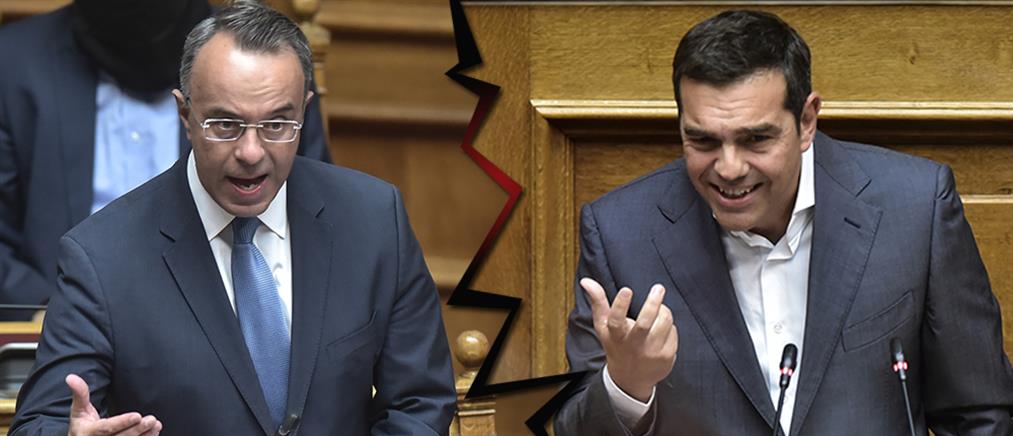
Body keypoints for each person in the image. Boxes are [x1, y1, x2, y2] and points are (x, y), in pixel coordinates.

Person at [555, 10, 1013, 436]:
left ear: (807, 120)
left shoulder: (915, 209)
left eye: (756, 139)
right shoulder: (619, 233)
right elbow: (572, 426)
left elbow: (980, 416)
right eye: (703, 141)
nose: (729, 168)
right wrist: (626, 385)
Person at [10, 2, 455, 435]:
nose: (251, 152)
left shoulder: (374, 220)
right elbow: (40, 421)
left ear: (303, 112)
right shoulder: (100, 257)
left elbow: (419, 401)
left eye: (277, 125)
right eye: (224, 125)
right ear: (185, 114)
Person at [0, 0, 330, 319]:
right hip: (58, 323)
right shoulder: (14, 63)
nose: (250, 151)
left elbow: (311, 215)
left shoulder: (263, 62)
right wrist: (47, 311)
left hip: (226, 322)